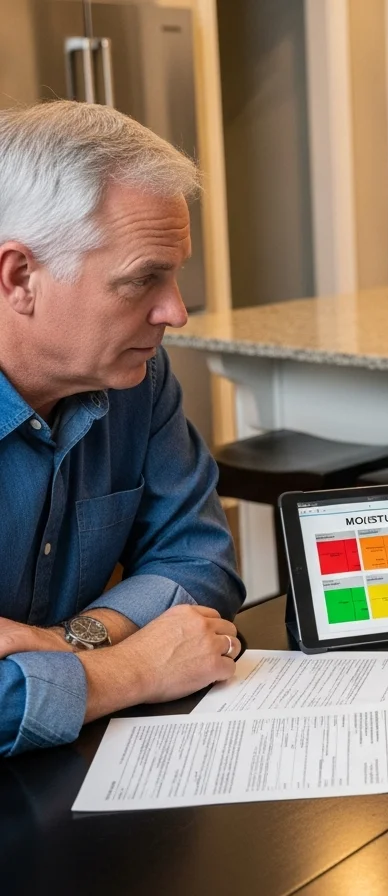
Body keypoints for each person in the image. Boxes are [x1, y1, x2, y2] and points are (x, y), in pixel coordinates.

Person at [0, 101, 245, 756]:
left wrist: (68, 643)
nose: (176, 312)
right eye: (143, 280)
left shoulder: (137, 379)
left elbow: (199, 563)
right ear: (20, 277)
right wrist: (127, 671)